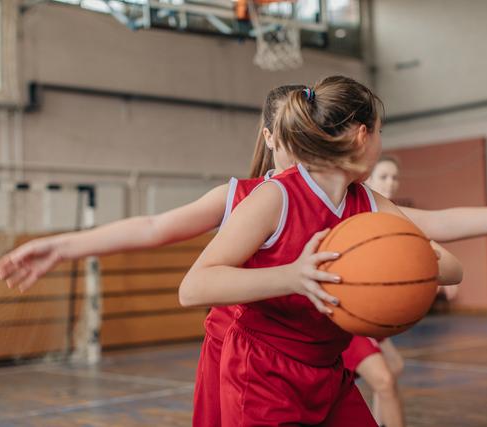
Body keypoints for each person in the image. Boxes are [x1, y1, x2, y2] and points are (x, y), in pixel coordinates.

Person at [178, 76, 464, 426]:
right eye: (380, 133)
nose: (379, 142)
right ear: (363, 136)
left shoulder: (368, 202)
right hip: (262, 372)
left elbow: (452, 267)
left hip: (328, 370)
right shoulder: (275, 197)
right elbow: (193, 288)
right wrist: (292, 276)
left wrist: (402, 266)